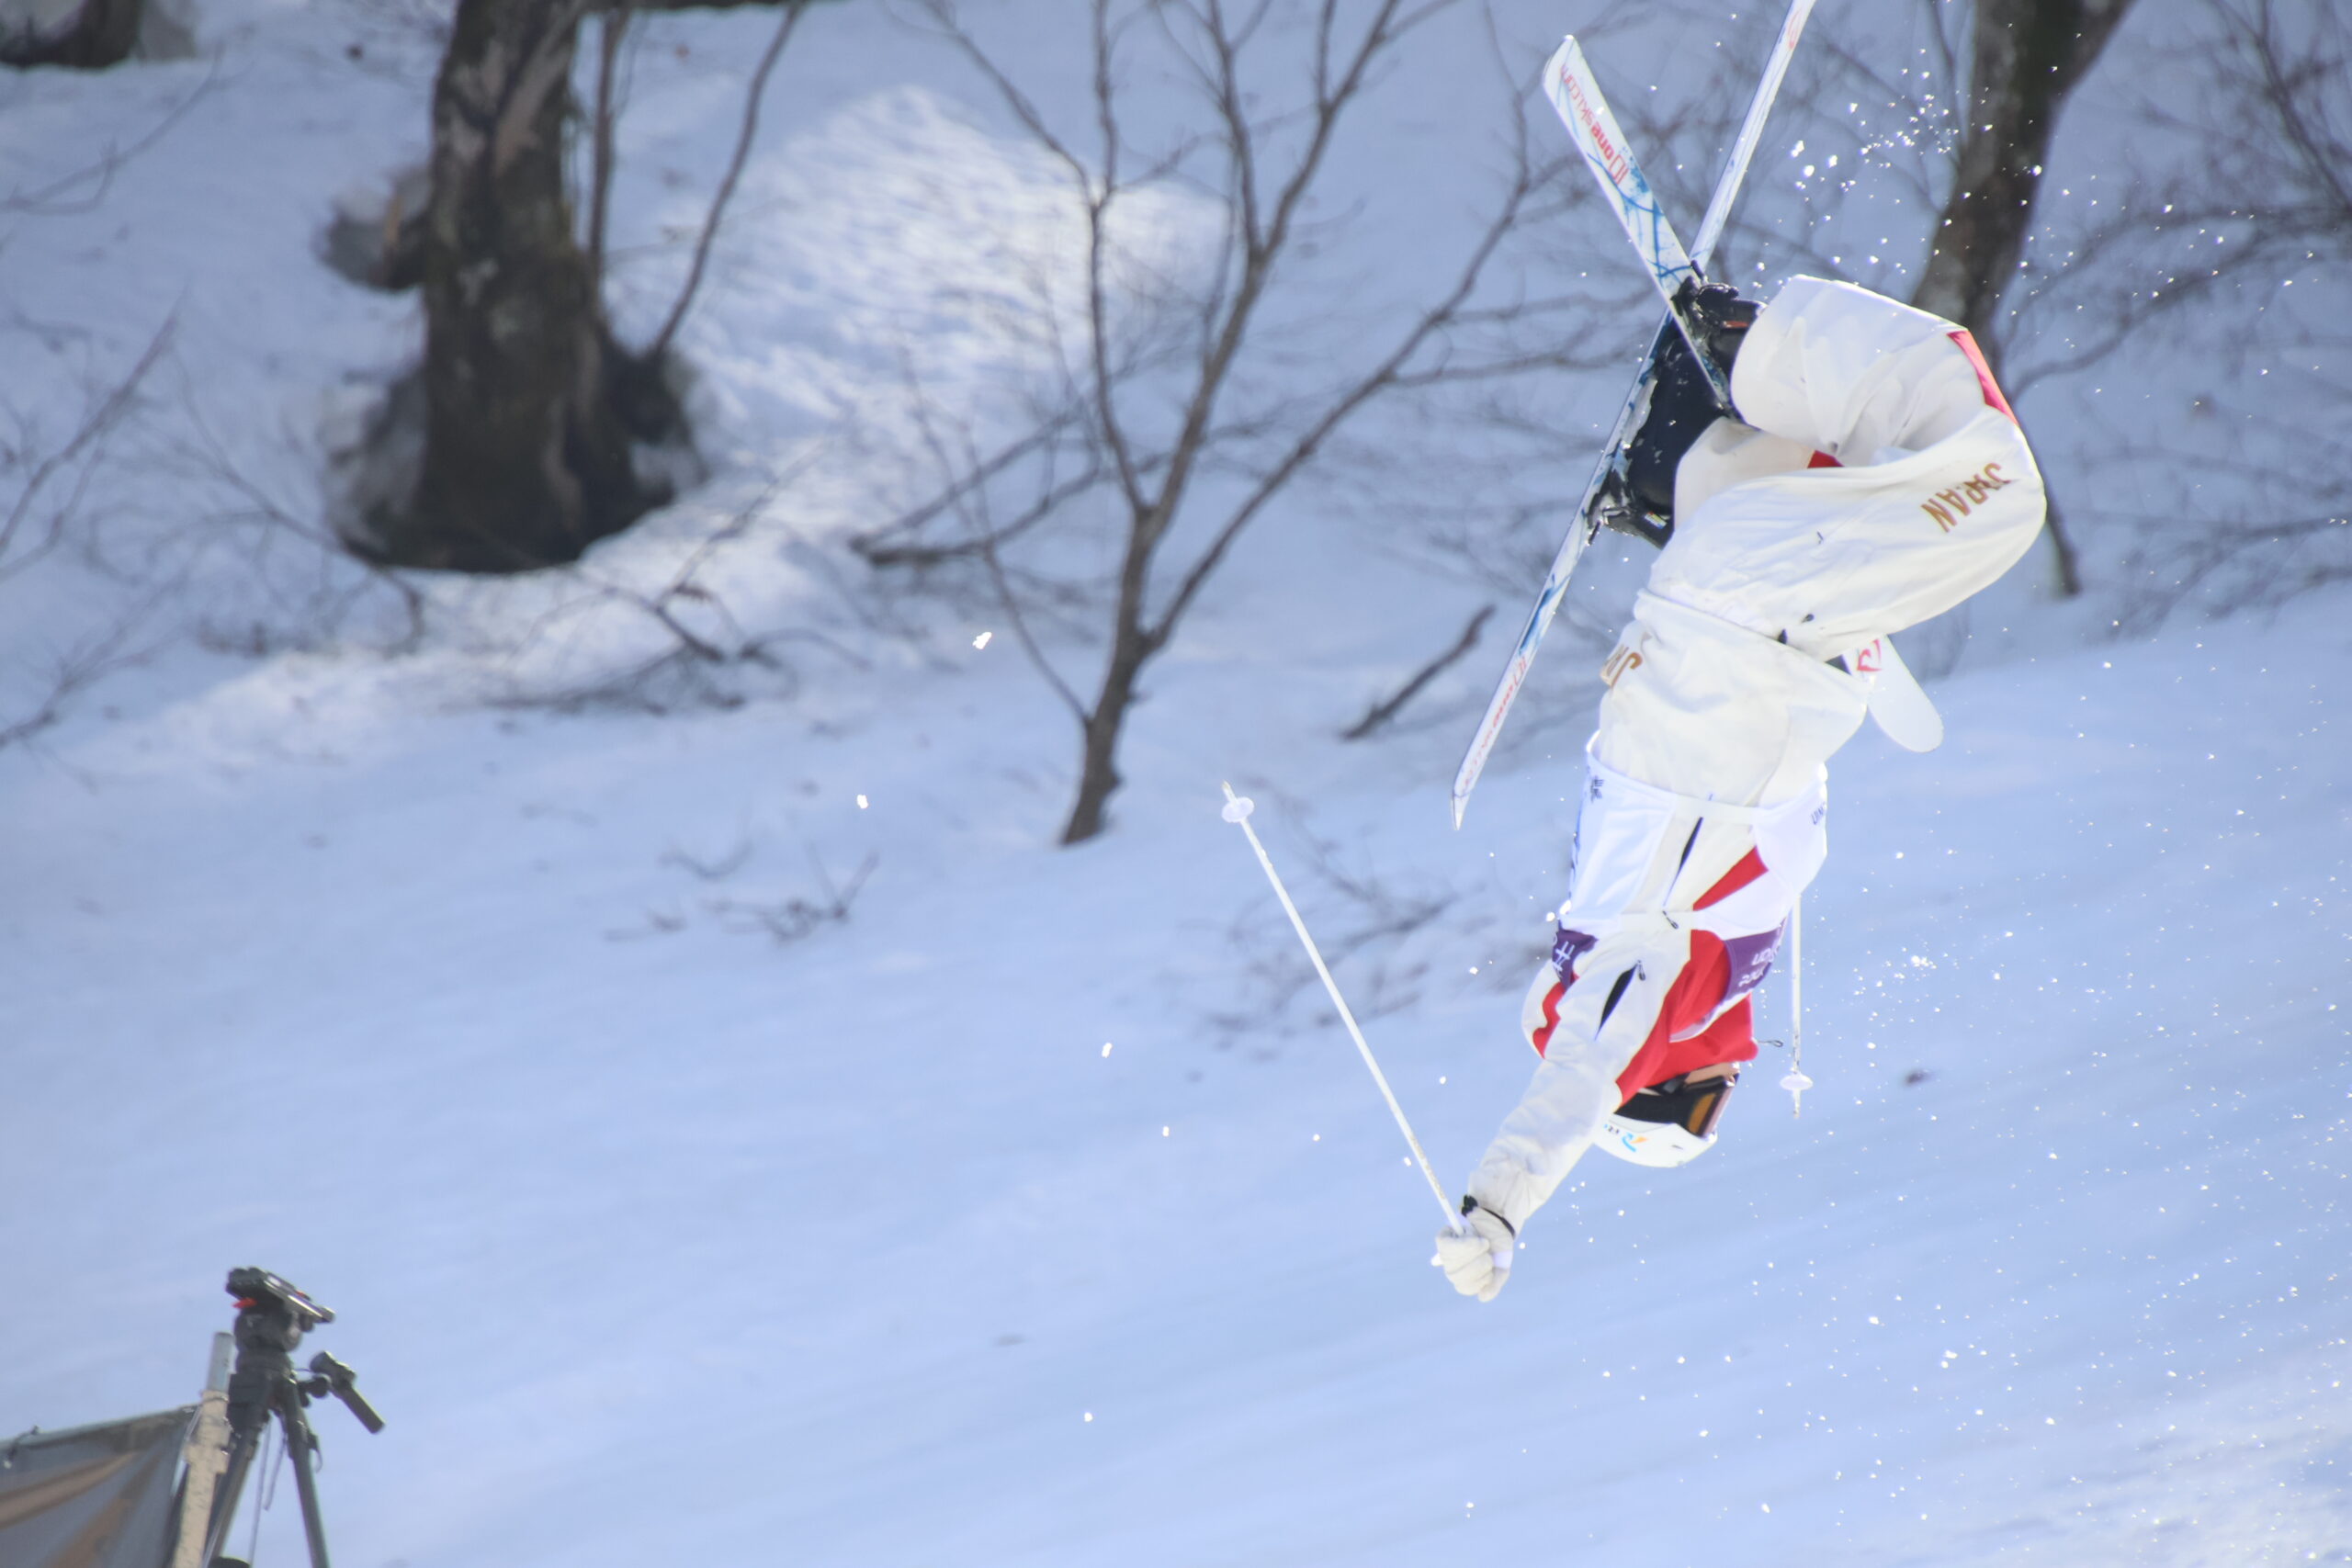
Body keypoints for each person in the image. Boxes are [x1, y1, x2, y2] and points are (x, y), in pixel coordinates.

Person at [1436, 275, 2046, 1303]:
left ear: (1657, 1093)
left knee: (1999, 494)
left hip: (1747, 613)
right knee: (1841, 476)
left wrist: (1498, 1206)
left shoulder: (1635, 998)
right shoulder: (1700, 931)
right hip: (1728, 600)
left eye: (1701, 1113)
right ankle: (1682, 465)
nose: (1728, 1086)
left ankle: (1759, 346)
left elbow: (1573, 1093)